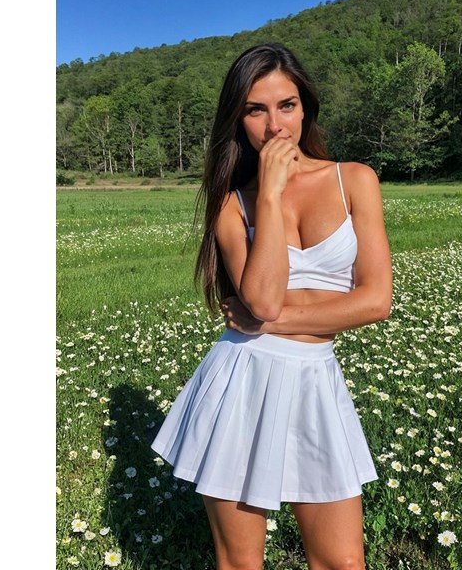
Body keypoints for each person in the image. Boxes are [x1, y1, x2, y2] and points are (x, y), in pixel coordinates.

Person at [151, 42, 392, 570]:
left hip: (315, 378)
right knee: (241, 564)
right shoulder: (232, 202)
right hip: (241, 380)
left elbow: (376, 301)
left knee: (343, 562)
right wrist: (269, 194)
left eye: (287, 105)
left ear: (305, 107)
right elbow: (260, 298)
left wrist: (273, 322)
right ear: (238, 121)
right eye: (256, 110)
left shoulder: (354, 180)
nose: (275, 125)